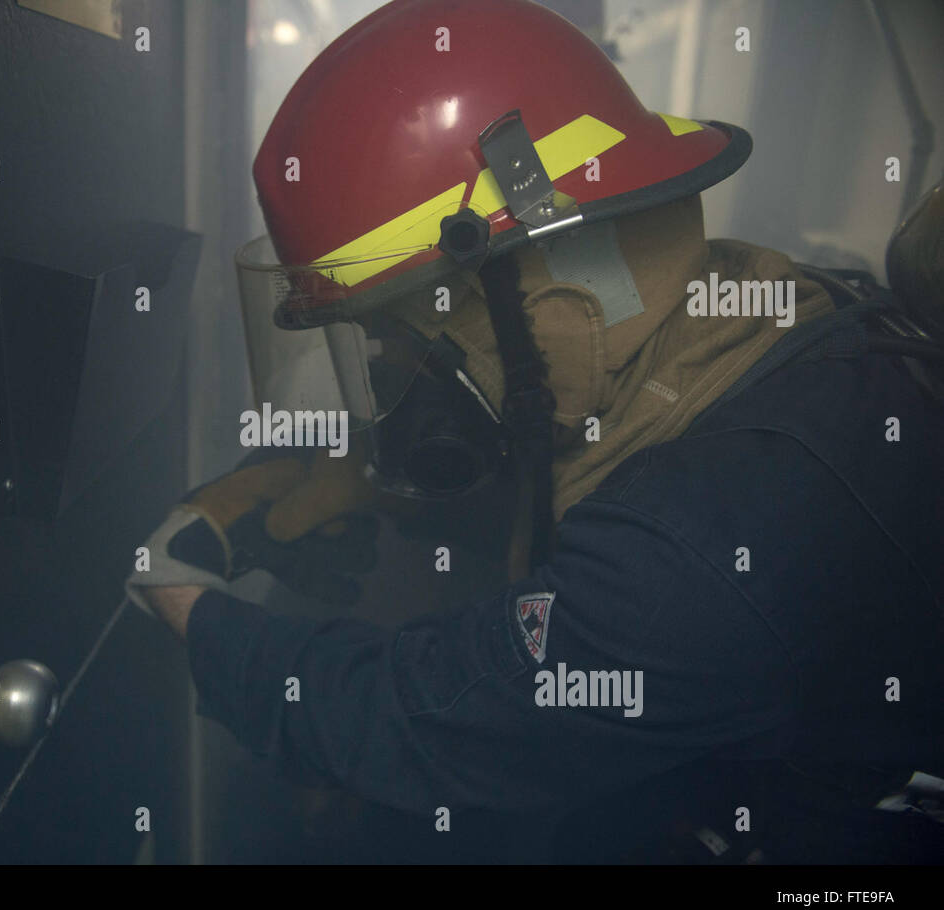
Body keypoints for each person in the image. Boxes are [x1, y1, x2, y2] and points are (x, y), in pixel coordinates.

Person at [128, 0, 944, 862]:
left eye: (409, 343)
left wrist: (185, 602)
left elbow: (419, 717)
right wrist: (398, 498)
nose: (396, 381)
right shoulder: (779, 320)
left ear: (548, 296)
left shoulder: (698, 561)